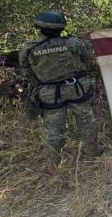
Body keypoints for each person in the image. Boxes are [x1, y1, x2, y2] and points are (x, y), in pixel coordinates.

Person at [19, 11, 100, 166]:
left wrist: (42, 84)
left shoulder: (29, 49)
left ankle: (54, 164)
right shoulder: (73, 43)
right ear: (61, 27)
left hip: (49, 93)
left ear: (39, 27)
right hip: (77, 88)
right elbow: (90, 60)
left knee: (54, 130)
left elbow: (28, 72)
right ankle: (93, 153)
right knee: (86, 120)